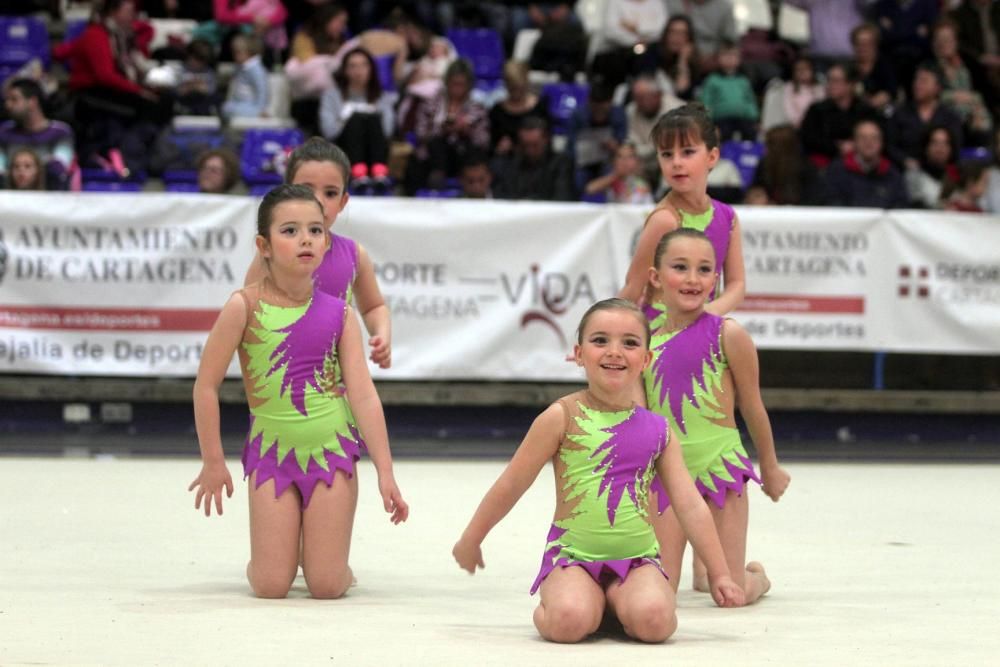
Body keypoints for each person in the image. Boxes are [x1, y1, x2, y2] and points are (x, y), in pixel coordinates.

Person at [453, 298, 745, 644]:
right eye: (600, 340)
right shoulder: (561, 417)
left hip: (637, 560)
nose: (614, 352)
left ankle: (614, 605)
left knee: (655, 623)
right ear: (579, 353)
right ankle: (577, 604)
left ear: (646, 359)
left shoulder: (659, 430)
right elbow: (512, 484)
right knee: (567, 623)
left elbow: (689, 505)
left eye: (630, 343)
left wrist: (721, 572)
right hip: (573, 558)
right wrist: (471, 538)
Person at [189, 184, 408, 599]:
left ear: (326, 242)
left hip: (331, 452)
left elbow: (363, 396)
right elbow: (206, 384)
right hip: (273, 454)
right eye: (289, 231)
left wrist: (385, 470)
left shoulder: (341, 314)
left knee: (327, 586)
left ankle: (331, 561)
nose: (305, 239)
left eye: (315, 230)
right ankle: (276, 556)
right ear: (264, 245)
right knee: (272, 585)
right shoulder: (243, 306)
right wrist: (212, 460)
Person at [643, 228, 790, 601]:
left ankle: (755, 576)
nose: (693, 278)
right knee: (662, 591)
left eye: (704, 269)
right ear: (656, 277)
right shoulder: (644, 342)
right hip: (670, 472)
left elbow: (752, 406)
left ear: (715, 280)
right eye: (681, 267)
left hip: (720, 466)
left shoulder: (729, 334)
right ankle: (704, 566)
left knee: (731, 593)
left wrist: (770, 467)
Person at [244, 137, 392, 369]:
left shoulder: (354, 255)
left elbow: (374, 307)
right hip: (280, 383)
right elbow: (248, 310)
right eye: (305, 190)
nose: (319, 201)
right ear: (286, 192)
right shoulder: (273, 253)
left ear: (343, 201)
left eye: (330, 193)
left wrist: (381, 335)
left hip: (338, 386)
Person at [619, 102, 746, 332]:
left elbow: (737, 285)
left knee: (735, 338)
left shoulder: (728, 217)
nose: (676, 162)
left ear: (712, 156)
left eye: (687, 152)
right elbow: (632, 288)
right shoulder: (666, 220)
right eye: (667, 154)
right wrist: (604, 339)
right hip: (660, 337)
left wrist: (705, 315)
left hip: (703, 330)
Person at [318, 47, 394, 177]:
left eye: (364, 65)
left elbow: (387, 130)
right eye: (353, 66)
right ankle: (358, 171)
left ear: (371, 69)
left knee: (373, 119)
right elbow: (328, 131)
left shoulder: (382, 97)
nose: (358, 71)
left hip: (374, 148)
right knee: (356, 120)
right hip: (343, 151)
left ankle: (379, 172)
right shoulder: (331, 96)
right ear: (345, 70)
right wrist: (346, 118)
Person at [0, 78, 75, 190]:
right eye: (7, 100)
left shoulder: (60, 132)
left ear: (32, 101)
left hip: (49, 199)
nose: (8, 105)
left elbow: (59, 167)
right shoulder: (4, 132)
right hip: (9, 197)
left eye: (14, 100)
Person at [799, 63, 879, 168]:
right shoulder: (817, 109)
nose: (830, 85)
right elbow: (808, 138)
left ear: (850, 85)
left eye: (836, 81)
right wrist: (837, 147)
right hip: (824, 162)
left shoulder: (866, 110)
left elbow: (877, 136)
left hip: (860, 160)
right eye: (829, 80)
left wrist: (855, 145)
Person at [823, 118, 909, 208]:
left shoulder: (892, 173)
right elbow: (831, 203)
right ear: (855, 142)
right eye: (863, 138)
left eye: (874, 138)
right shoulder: (837, 171)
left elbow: (901, 206)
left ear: (881, 143)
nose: (869, 142)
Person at [492, 116, 576, 201]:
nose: (530, 150)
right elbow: (504, 197)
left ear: (546, 140)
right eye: (525, 145)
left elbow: (562, 197)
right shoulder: (510, 165)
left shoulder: (561, 163)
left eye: (535, 145)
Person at [697, 41, 759, 142]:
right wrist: (707, 122)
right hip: (721, 120)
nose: (730, 58)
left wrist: (754, 118)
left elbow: (750, 100)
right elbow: (706, 101)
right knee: (722, 136)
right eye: (725, 55)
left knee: (751, 134)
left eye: (733, 55)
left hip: (743, 119)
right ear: (718, 58)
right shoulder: (712, 80)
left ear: (739, 59)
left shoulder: (743, 80)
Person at [903, 124, 959, 208]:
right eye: (935, 143)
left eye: (945, 143)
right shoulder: (913, 176)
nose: (940, 148)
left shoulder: (958, 176)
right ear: (926, 147)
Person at [584, 142, 654, 204]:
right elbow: (590, 189)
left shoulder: (642, 182)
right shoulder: (610, 181)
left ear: (636, 160)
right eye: (620, 156)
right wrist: (615, 175)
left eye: (629, 157)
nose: (624, 161)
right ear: (614, 161)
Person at [222, 33, 270, 120]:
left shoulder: (256, 69)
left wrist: (260, 110)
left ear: (249, 52)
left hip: (252, 107)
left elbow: (262, 91)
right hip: (238, 104)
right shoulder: (240, 67)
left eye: (238, 52)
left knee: (229, 109)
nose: (235, 56)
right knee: (226, 107)